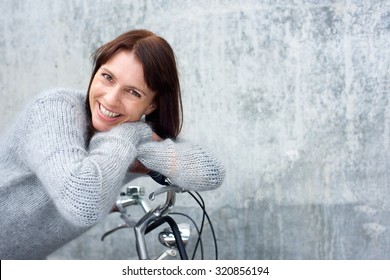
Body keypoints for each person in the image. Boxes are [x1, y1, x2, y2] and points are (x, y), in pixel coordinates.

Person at [0, 29, 225, 259]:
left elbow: (211, 173)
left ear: (151, 106)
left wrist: (143, 149)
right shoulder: (54, 110)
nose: (110, 99)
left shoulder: (130, 142)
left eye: (133, 92)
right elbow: (82, 202)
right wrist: (130, 134)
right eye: (107, 77)